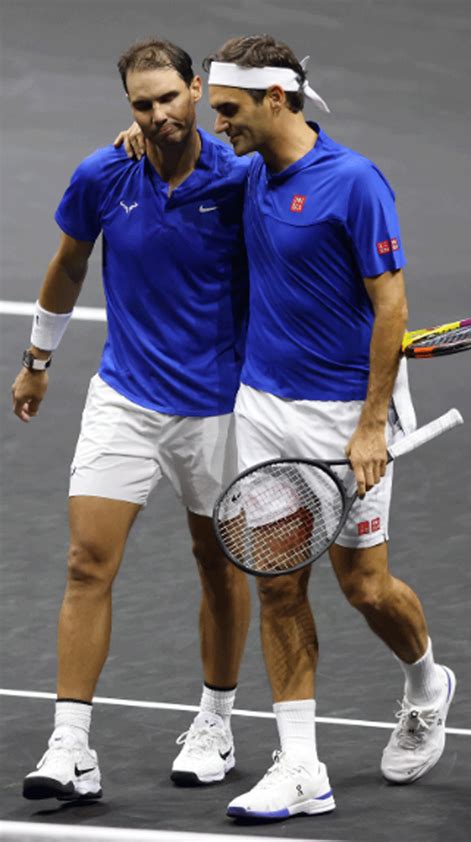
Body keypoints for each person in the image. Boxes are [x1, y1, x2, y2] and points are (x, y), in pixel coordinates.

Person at [201, 34, 456, 821]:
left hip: (348, 417)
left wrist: (372, 424)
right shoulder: (248, 170)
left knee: (364, 587)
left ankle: (426, 684)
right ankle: (302, 768)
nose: (218, 125)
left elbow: (392, 307)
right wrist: (141, 135)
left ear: (276, 98)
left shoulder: (355, 183)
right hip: (264, 410)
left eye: (229, 110)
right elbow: (179, 156)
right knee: (278, 585)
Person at [11, 38, 252, 801]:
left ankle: (216, 722)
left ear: (196, 89)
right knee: (87, 563)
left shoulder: (242, 176)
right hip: (126, 398)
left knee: (218, 563)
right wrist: (38, 359)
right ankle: (70, 746)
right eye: (142, 105)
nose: (157, 116)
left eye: (169, 99)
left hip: (219, 408)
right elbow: (70, 262)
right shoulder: (104, 173)